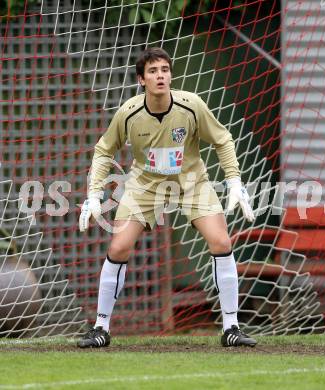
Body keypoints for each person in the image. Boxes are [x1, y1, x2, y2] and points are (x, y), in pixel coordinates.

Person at [77, 47, 257, 348]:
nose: (160, 76)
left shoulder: (191, 106)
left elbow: (223, 139)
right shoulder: (129, 113)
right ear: (141, 80)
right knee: (119, 246)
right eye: (153, 71)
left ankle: (231, 327)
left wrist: (234, 180)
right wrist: (94, 194)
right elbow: (104, 150)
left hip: (191, 183)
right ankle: (100, 328)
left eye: (164, 70)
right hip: (144, 185)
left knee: (221, 242)